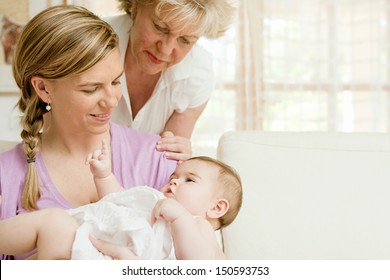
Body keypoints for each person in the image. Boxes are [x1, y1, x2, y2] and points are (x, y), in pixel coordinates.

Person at [0, 5, 177, 260]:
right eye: (91, 89)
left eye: (116, 82)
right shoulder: (8, 177)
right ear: (43, 88)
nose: (111, 101)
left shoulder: (158, 157)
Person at [0, 140, 243, 260]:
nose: (175, 181)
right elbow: (118, 201)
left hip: (100, 262)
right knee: (53, 221)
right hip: (84, 244)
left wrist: (180, 218)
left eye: (190, 180)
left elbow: (199, 269)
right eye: (174, 176)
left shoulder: (198, 226)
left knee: (55, 228)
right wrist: (104, 174)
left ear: (217, 207)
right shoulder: (154, 202)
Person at [106, 0, 236, 159]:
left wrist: (180, 154)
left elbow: (165, 161)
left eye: (185, 40)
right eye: (160, 28)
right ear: (135, 8)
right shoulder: (88, 42)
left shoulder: (197, 75)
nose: (165, 49)